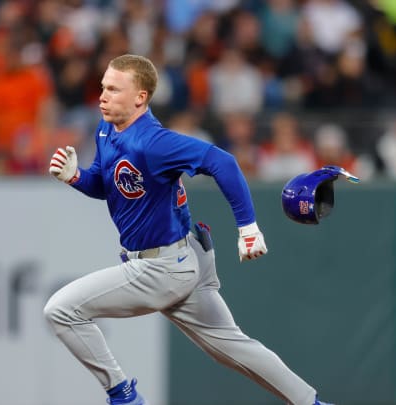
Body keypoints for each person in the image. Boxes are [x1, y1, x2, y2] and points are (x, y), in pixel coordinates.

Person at [43, 54, 333, 405]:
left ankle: (123, 396)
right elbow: (108, 186)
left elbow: (222, 162)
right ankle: (312, 403)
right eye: (104, 86)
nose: (103, 95)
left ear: (140, 97)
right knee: (234, 348)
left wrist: (248, 227)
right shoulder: (106, 128)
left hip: (161, 267)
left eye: (115, 89)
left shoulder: (152, 141)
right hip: (182, 259)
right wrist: (76, 177)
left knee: (61, 310)